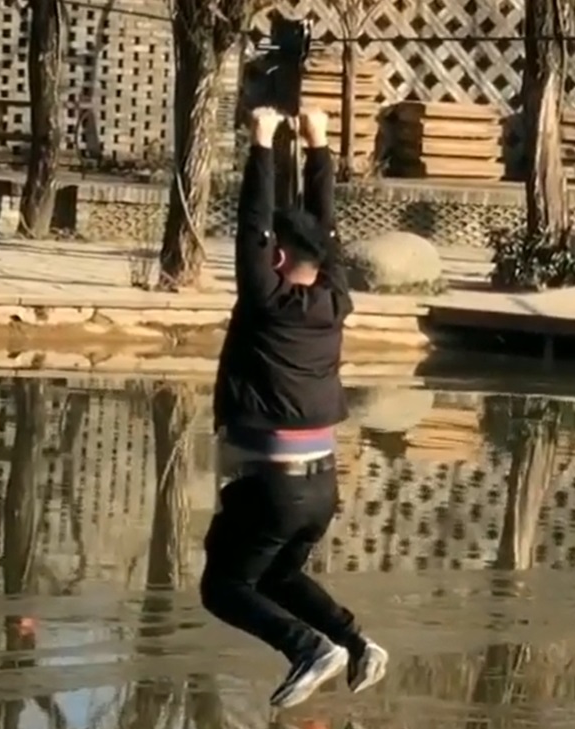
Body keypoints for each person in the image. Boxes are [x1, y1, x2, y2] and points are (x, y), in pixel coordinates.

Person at [200, 106, 389, 709]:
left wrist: (261, 145)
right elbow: (324, 229)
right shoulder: (334, 297)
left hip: (271, 486)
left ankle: (307, 646)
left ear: (276, 259)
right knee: (277, 575)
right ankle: (356, 643)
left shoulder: (267, 300)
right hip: (321, 486)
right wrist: (318, 145)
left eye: (268, 250)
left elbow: (253, 223)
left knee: (224, 586)